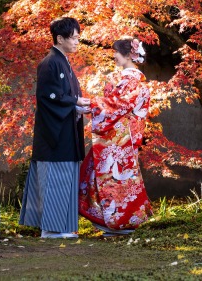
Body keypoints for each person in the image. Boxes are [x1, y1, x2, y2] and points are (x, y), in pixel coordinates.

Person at [19, 16, 90, 239]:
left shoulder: (63, 62)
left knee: (65, 176)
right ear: (60, 38)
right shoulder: (50, 62)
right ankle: (51, 229)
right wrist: (76, 103)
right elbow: (48, 97)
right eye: (75, 38)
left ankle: (61, 227)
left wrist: (77, 106)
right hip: (54, 134)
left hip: (65, 130)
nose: (78, 42)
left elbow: (66, 96)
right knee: (54, 177)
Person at [78, 37, 152, 236]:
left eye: (116, 52)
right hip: (124, 137)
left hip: (118, 138)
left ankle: (119, 221)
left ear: (128, 55)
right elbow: (114, 104)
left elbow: (115, 105)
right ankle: (120, 220)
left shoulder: (130, 81)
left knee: (115, 179)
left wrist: (89, 105)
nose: (113, 56)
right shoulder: (135, 81)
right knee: (118, 179)